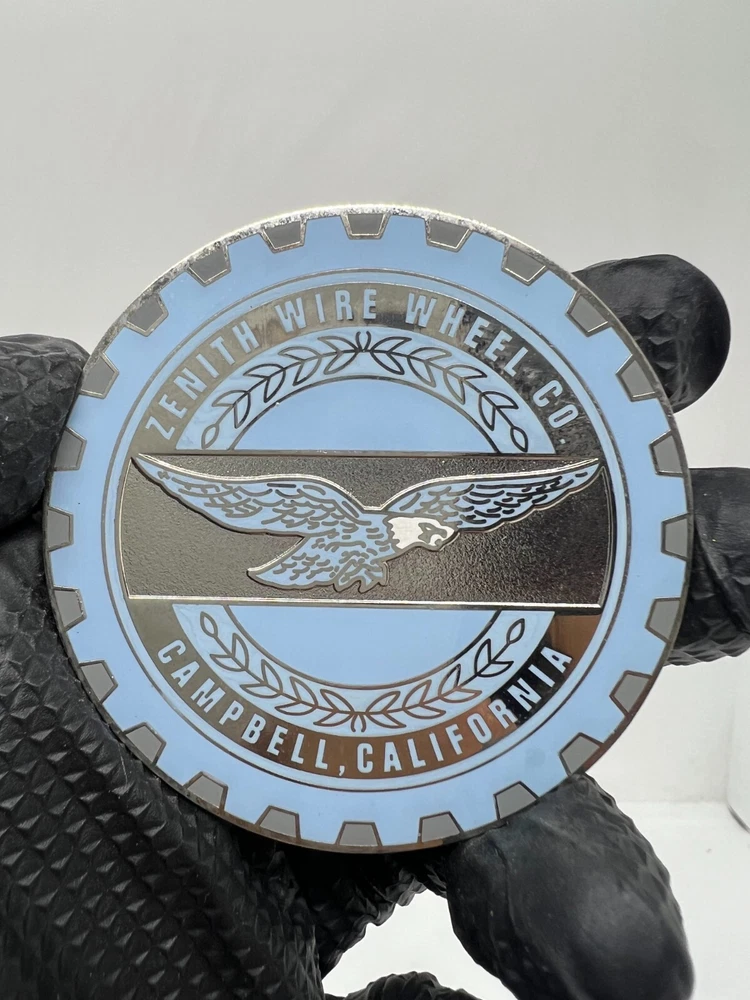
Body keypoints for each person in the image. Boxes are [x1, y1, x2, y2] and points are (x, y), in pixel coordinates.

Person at [0, 254, 746, 1000]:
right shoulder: (323, 504)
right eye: (427, 531)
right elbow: (215, 493)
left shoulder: (434, 518)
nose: (435, 538)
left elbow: (478, 510)